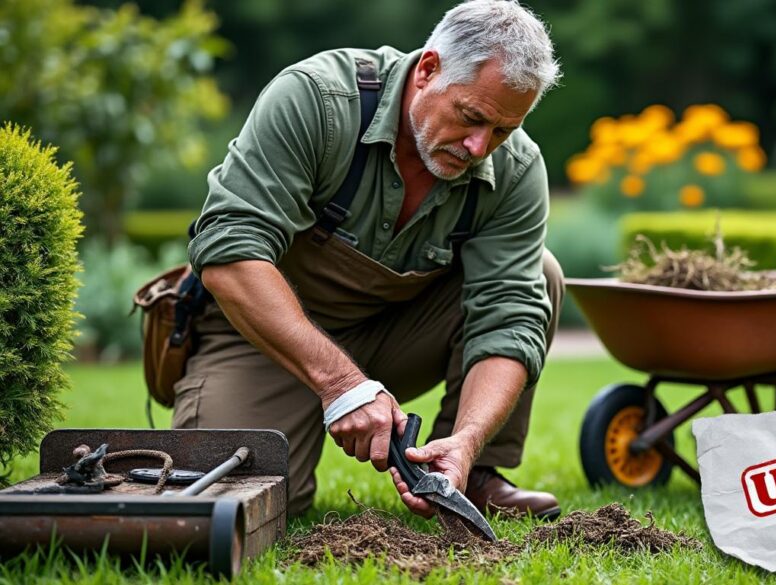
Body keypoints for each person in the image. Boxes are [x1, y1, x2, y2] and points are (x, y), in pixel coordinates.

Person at [173, 0, 564, 520]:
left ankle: (471, 473)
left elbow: (508, 316)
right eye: (472, 117)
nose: (479, 147)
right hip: (264, 337)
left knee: (540, 275)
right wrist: (342, 386)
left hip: (398, 334)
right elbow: (230, 251)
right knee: (236, 499)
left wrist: (468, 440)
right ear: (428, 70)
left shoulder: (516, 170)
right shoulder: (316, 100)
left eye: (502, 131)